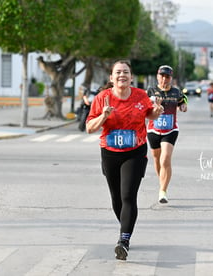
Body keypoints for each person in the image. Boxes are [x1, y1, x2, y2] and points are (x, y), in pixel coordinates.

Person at [86, 60, 164, 261]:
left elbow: (151, 115)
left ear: (131, 77)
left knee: (128, 195)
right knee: (117, 199)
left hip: (135, 152)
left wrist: (157, 111)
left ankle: (124, 241)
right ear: (111, 78)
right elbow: (89, 128)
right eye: (118, 72)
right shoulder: (102, 98)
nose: (122, 75)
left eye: (126, 72)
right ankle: (126, 227)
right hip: (110, 153)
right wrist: (104, 116)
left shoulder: (140, 96)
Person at [146, 65, 187, 204]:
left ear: (171, 78)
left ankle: (163, 191)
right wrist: (153, 108)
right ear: (158, 76)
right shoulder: (151, 91)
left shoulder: (176, 91)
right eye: (162, 76)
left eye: (167, 76)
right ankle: (161, 181)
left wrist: (183, 106)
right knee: (157, 159)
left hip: (170, 130)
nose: (164, 79)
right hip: (153, 130)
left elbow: (183, 100)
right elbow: (143, 107)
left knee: (165, 158)